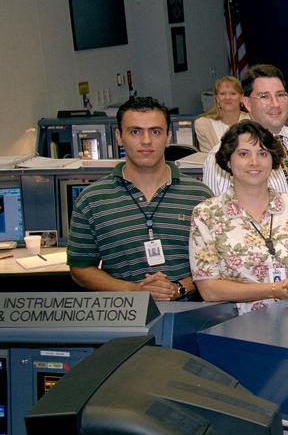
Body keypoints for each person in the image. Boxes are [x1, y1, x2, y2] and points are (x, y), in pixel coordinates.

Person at [69, 95, 211, 301]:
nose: (146, 141)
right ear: (119, 136)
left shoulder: (199, 195)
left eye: (155, 131)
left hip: (190, 316)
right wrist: (134, 292)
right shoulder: (91, 199)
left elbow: (216, 264)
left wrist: (178, 288)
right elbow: (80, 269)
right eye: (135, 132)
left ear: (168, 136)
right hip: (123, 317)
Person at [190, 120, 288, 309]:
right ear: (228, 160)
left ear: (273, 160)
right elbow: (209, 289)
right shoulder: (206, 215)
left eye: (262, 153)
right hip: (239, 325)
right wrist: (272, 289)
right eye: (243, 154)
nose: (254, 162)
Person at [202, 63, 288, 203]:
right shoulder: (225, 154)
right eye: (264, 96)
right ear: (247, 103)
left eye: (280, 95)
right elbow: (220, 216)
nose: (275, 104)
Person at [194, 75, 243, 153]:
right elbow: (208, 160)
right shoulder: (203, 124)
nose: (227, 97)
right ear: (217, 98)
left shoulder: (253, 121)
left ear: (241, 98)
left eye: (233, 93)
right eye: (222, 94)